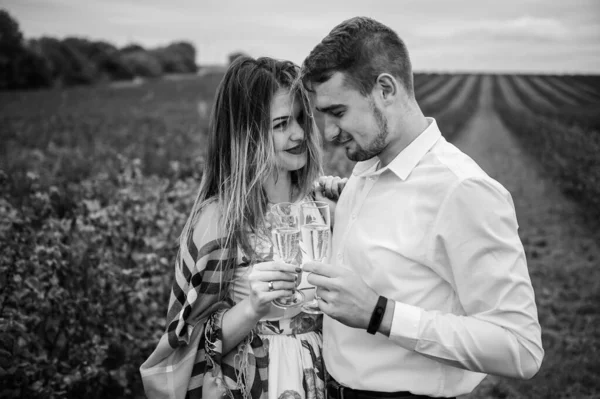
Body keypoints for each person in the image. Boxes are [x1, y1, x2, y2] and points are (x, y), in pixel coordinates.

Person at [301, 17, 544, 399]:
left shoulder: (462, 190)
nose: (329, 133)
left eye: (338, 112)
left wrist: (380, 314)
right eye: (323, 115)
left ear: (385, 89)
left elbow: (520, 348)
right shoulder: (367, 168)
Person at [140, 56, 327, 399]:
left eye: (302, 119)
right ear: (246, 133)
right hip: (253, 383)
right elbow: (187, 344)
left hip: (321, 378)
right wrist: (251, 307)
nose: (298, 133)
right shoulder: (218, 221)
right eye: (282, 123)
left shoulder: (321, 205)